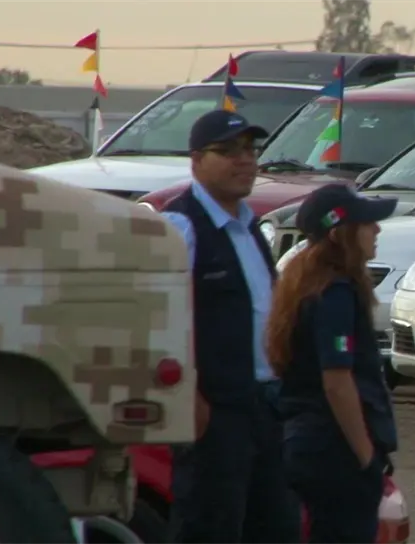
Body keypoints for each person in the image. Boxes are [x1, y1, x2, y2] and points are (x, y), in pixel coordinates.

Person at [160, 109, 296, 544]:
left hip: (267, 406)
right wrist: (191, 395)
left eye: (250, 150)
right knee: (211, 526)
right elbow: (164, 316)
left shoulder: (249, 226)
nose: (245, 161)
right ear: (196, 160)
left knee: (276, 527)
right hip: (217, 412)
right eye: (229, 151)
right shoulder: (182, 225)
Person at [266, 183, 399, 544]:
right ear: (341, 234)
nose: (377, 230)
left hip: (311, 444)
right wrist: (366, 457)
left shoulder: (305, 284)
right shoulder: (334, 294)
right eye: (368, 223)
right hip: (333, 451)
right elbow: (337, 381)